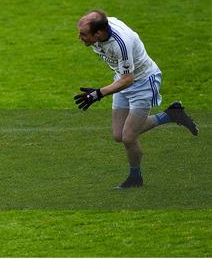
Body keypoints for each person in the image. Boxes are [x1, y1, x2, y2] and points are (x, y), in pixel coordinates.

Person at [74, 10, 198, 189]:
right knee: (118, 135)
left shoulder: (120, 44)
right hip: (122, 79)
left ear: (99, 33)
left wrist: (98, 94)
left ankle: (135, 178)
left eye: (83, 34)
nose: (80, 38)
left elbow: (128, 79)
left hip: (143, 83)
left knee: (128, 136)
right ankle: (171, 115)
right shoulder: (102, 29)